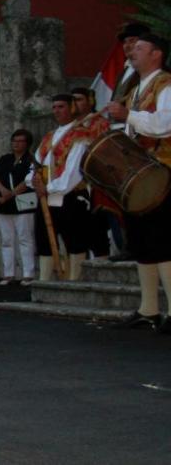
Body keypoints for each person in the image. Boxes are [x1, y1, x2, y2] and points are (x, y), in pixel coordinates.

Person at [103, 32, 171, 332]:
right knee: (143, 242)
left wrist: (128, 114)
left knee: (163, 240)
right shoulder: (135, 90)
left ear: (156, 54)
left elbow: (164, 125)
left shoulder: (166, 84)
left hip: (162, 173)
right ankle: (149, 309)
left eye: (139, 47)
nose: (131, 51)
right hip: (139, 175)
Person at [31, 94, 95, 283]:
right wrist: (34, 181)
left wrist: (49, 188)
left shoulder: (80, 135)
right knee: (43, 236)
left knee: (73, 236)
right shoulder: (49, 137)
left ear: (71, 108)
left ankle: (75, 279)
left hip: (70, 194)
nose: (57, 111)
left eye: (61, 107)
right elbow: (36, 163)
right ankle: (45, 279)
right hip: (47, 195)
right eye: (54, 107)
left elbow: (74, 171)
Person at [72, 87, 116, 262]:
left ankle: (102, 263)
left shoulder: (102, 124)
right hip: (71, 188)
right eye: (72, 100)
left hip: (95, 184)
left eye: (79, 99)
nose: (75, 103)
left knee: (98, 228)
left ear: (90, 101)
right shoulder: (70, 128)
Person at [0, 129, 37, 285]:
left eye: (20, 141)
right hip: (4, 203)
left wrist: (10, 194)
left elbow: (28, 181)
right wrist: (3, 192)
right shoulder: (5, 159)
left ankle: (28, 273)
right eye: (14, 141)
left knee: (25, 238)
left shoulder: (31, 159)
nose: (16, 144)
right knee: (7, 239)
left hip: (23, 201)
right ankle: (8, 273)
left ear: (27, 143)